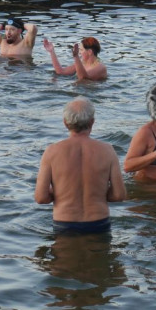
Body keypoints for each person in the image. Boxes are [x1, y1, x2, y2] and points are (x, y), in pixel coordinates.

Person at [34, 97, 127, 234]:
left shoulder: (51, 152)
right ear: (92, 122)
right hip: (99, 223)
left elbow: (41, 198)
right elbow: (119, 195)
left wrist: (62, 192)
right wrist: (97, 193)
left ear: (65, 123)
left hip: (65, 224)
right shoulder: (108, 150)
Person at [42, 37, 107, 81]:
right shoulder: (83, 63)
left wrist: (76, 57)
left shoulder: (100, 67)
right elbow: (61, 72)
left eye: (81, 50)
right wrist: (52, 52)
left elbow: (83, 79)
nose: (80, 53)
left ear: (89, 52)